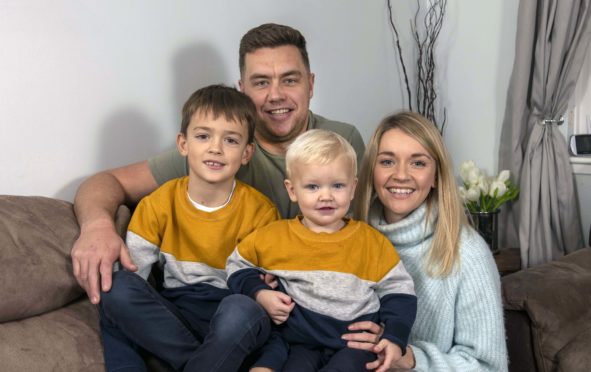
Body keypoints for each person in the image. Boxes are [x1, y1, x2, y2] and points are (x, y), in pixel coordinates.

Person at [71, 22, 365, 305]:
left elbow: (365, 234)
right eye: (261, 82)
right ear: (242, 91)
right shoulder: (216, 152)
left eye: (290, 80)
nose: (276, 95)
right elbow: (107, 182)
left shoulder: (342, 140)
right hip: (238, 299)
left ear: (310, 84)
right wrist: (97, 226)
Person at [99, 84, 280, 371]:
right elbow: (138, 280)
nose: (215, 148)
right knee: (116, 289)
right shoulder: (158, 204)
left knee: (242, 311)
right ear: (183, 144)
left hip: (232, 315)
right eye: (203, 136)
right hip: (176, 316)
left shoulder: (261, 212)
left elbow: (266, 288)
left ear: (247, 153)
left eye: (231, 141)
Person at [226, 129, 417, 372]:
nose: (325, 196)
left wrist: (395, 337)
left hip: (354, 345)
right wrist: (260, 292)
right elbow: (236, 265)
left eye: (337, 185)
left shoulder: (372, 242)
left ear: (352, 188)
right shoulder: (274, 236)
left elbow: (400, 292)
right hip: (299, 343)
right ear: (292, 190)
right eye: (313, 187)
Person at [342, 111, 508, 371]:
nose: (401, 175)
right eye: (387, 161)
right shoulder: (345, 235)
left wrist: (410, 358)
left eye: (418, 163)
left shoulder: (468, 253)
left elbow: (489, 367)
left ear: (436, 177)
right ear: (371, 171)